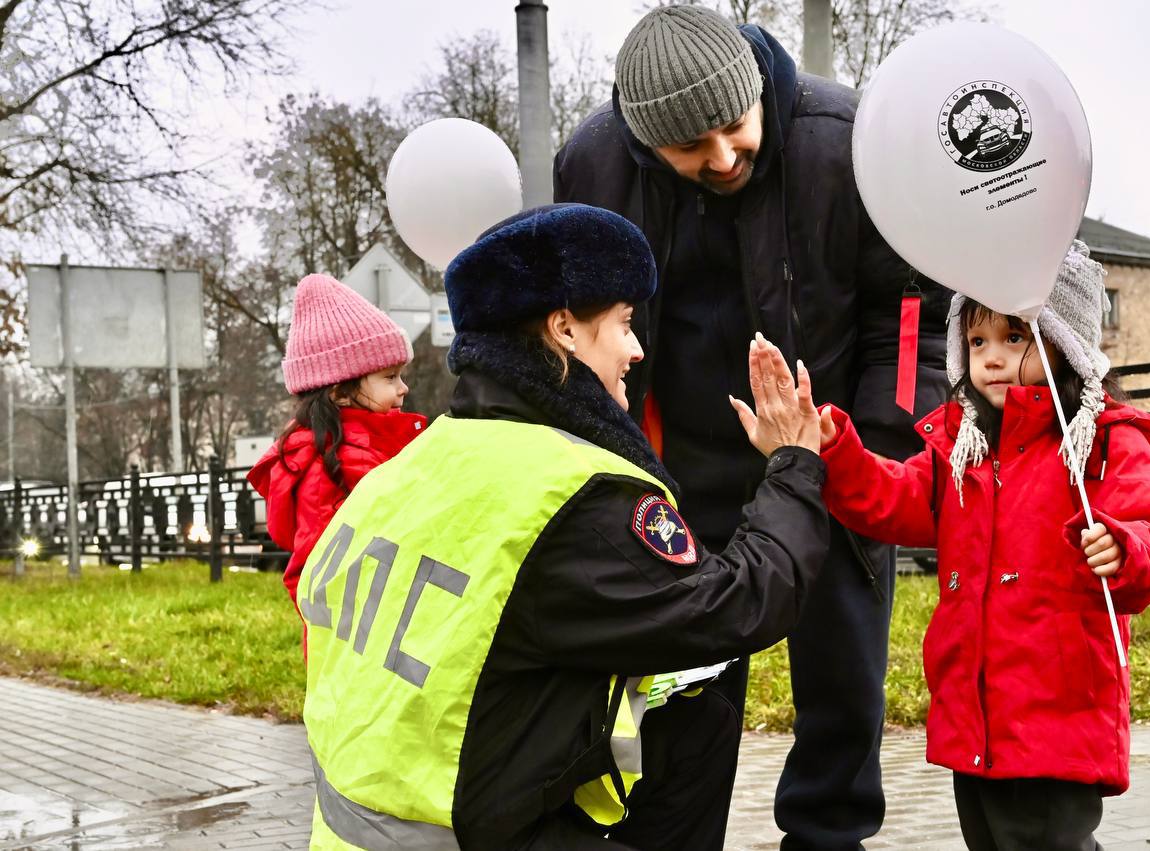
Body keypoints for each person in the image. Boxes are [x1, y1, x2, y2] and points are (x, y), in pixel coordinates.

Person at [299, 203, 833, 850]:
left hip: (354, 830)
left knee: (676, 699)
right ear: (565, 330)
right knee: (705, 691)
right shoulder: (572, 492)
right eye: (625, 323)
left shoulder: (415, 463)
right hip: (464, 838)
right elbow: (739, 607)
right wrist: (794, 463)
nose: (637, 349)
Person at [554, 6, 951, 846]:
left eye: (735, 126)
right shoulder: (592, 164)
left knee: (843, 685)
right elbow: (578, 330)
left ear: (757, 92)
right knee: (679, 693)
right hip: (675, 473)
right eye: (690, 147)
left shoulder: (848, 141)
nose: (724, 157)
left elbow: (906, 318)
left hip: (831, 460)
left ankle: (828, 837)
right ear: (643, 142)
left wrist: (877, 459)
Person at [805, 242, 1150, 850]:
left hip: (1059, 714)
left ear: (1067, 341)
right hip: (974, 716)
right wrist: (836, 449)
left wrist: (1124, 546)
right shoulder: (967, 448)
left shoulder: (1103, 440)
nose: (993, 359)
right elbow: (895, 497)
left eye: (1015, 337)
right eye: (977, 342)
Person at [248, 274, 427, 649]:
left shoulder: (369, 450)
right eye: (389, 377)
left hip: (384, 639)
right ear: (340, 393)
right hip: (363, 651)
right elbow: (314, 577)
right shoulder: (330, 470)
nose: (403, 388)